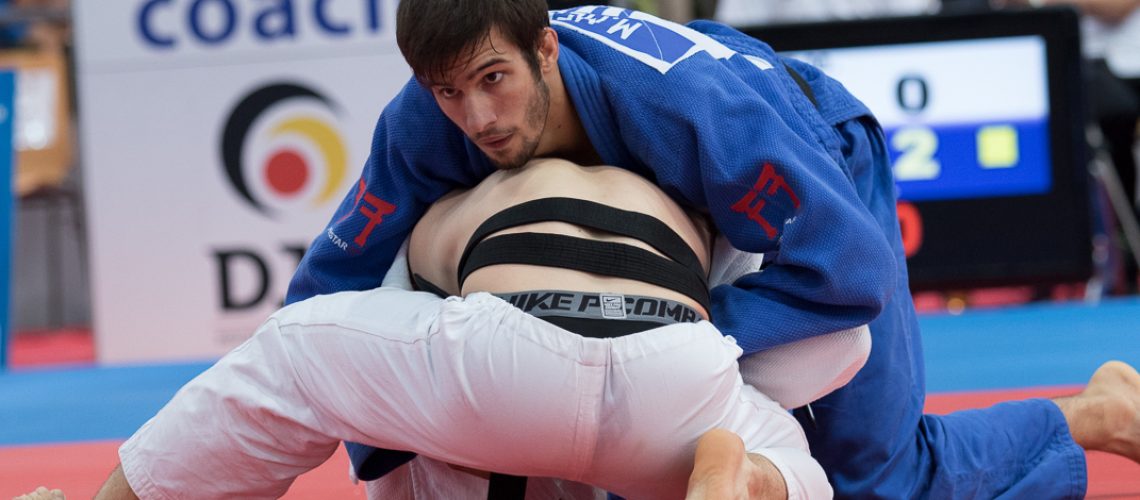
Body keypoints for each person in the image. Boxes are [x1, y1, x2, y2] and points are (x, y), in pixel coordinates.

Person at [280, 1, 1140, 498]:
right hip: (683, 227)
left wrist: (683, 339)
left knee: (875, 485)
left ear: (544, 46)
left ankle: (1089, 415)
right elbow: (332, 283)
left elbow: (850, 272)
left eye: (493, 81)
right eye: (449, 92)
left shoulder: (693, 111)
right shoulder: (426, 118)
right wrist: (384, 431)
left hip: (816, 150)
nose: (478, 120)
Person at [94, 159, 872, 499]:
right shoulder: (689, 190)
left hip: (504, 355)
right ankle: (752, 480)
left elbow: (371, 403)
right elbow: (844, 342)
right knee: (793, 462)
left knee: (292, 353)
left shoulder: (442, 188)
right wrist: (728, 373)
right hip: (673, 374)